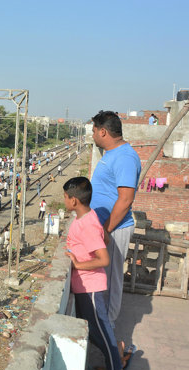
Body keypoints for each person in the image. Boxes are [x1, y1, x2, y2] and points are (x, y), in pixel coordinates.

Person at [63, 176, 128, 370]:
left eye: (65, 197)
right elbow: (104, 239)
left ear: (74, 200)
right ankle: (116, 352)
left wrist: (78, 264)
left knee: (98, 328)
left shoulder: (87, 224)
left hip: (89, 285)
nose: (64, 200)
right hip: (86, 285)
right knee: (96, 330)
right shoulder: (87, 218)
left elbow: (104, 259)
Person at [90, 110, 141, 328]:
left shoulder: (124, 157)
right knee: (102, 280)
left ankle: (108, 333)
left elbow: (126, 199)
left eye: (93, 131)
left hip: (114, 229)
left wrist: (105, 230)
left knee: (110, 283)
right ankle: (101, 326)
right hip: (104, 227)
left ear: (103, 131)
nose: (92, 135)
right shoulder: (111, 154)